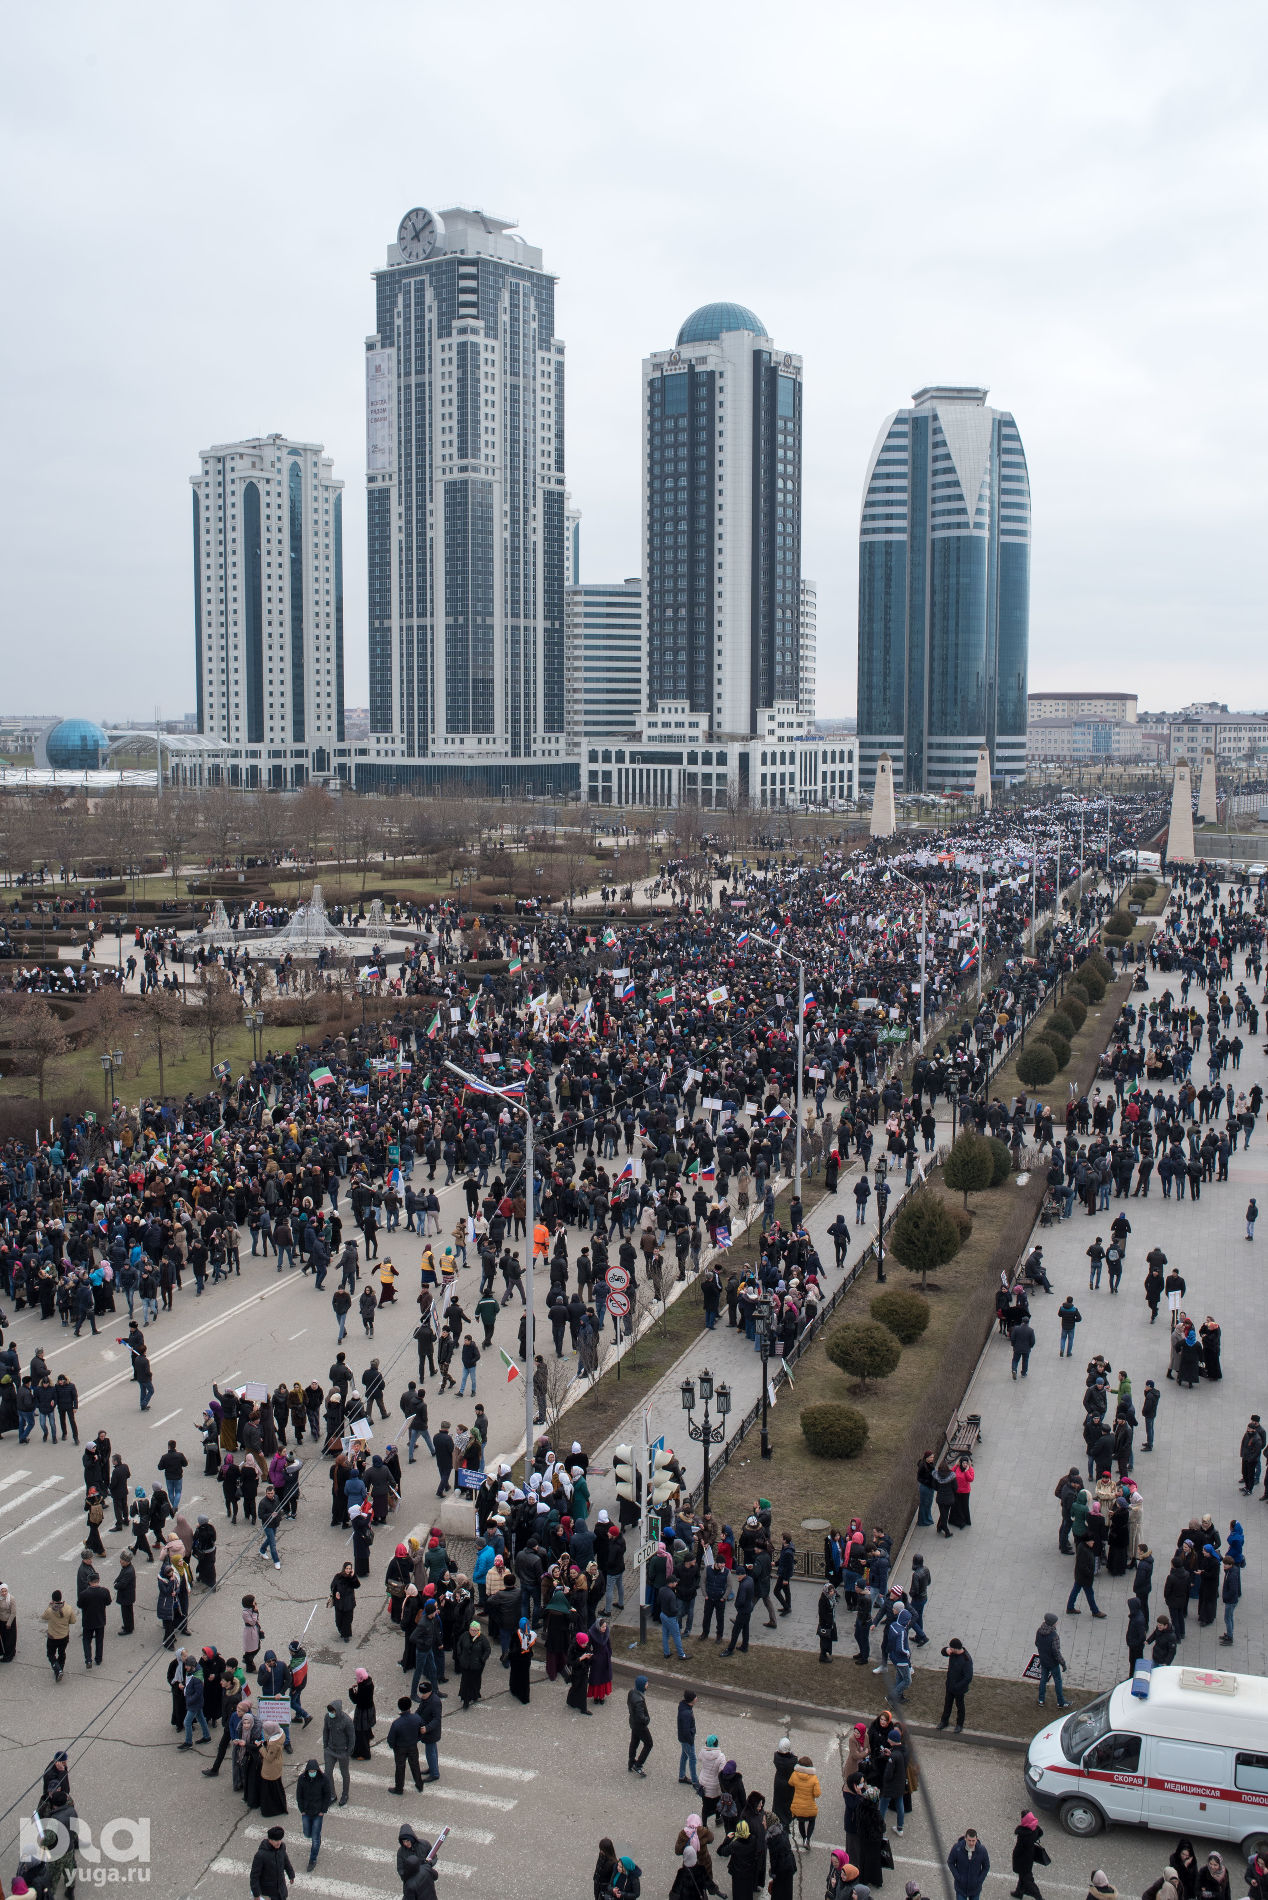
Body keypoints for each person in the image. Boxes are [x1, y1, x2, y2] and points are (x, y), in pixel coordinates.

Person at [296, 1760, 332, 1871]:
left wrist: (323, 1811)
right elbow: (299, 1795)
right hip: (306, 1811)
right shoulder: (302, 1779)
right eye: (310, 1771)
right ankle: (316, 1838)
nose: (312, 1772)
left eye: (314, 1771)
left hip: (318, 1812)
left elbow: (327, 1795)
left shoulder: (324, 1779)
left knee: (315, 1839)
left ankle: (312, 1859)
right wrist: (302, 1810)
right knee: (307, 1833)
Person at [387, 1694, 424, 1793]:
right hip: (412, 1746)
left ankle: (399, 1788)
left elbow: (391, 1739)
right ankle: (419, 1784)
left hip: (400, 1748)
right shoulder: (417, 1718)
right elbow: (421, 1731)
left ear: (400, 1707)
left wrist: (393, 1746)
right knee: (415, 1765)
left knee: (400, 1767)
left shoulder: (397, 1723)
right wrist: (416, 1739)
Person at [248, 1825, 295, 1899]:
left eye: (280, 1840)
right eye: (276, 1840)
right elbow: (254, 1876)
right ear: (269, 1840)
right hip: (268, 1893)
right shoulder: (260, 1855)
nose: (279, 1842)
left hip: (281, 1889)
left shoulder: (282, 1847)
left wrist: (291, 1874)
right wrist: (256, 1895)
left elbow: (286, 1861)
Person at [321, 1697, 353, 1806]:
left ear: (338, 1711)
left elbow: (352, 1738)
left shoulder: (347, 1721)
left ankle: (345, 1794)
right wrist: (325, 1745)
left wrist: (348, 1752)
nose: (331, 1713)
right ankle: (332, 1795)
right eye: (330, 1711)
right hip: (330, 1750)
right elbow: (325, 1731)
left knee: (344, 1774)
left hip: (342, 1751)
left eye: (333, 1711)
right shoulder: (327, 1717)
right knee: (327, 1772)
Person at [938, 1637, 973, 1731]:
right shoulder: (952, 1652)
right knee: (947, 1705)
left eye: (951, 1648)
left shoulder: (966, 1659)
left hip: (959, 1689)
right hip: (950, 1685)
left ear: (955, 1649)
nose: (950, 1649)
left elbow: (968, 1677)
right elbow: (943, 1652)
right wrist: (946, 1650)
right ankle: (944, 1721)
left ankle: (959, 1724)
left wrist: (957, 1687)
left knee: (960, 1706)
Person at [1035, 1613, 1068, 1709]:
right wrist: (1063, 1664)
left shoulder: (1039, 1631)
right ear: (1052, 1623)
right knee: (1058, 1681)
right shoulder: (1054, 1636)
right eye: (1056, 1622)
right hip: (1053, 1663)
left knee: (1043, 1680)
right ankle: (1061, 1702)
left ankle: (1041, 1700)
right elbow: (1056, 1652)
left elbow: (1037, 1643)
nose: (1057, 1623)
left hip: (1043, 1661)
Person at [1011, 1813, 1046, 1900]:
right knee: (1023, 1876)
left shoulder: (1023, 1833)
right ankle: (1019, 1892)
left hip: (1022, 1859)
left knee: (1027, 1879)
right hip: (1029, 1856)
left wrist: (1015, 1856)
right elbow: (1040, 1832)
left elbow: (1019, 1848)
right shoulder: (1034, 1828)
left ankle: (1038, 1897)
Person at [948, 1829, 990, 1900]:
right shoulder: (957, 1848)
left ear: (976, 1839)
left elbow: (986, 1866)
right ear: (965, 1838)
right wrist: (958, 1877)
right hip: (961, 1888)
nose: (971, 1843)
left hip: (975, 1889)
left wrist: (979, 1880)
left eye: (973, 1840)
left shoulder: (982, 1851)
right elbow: (950, 1862)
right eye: (969, 1840)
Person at [790, 1755, 821, 1846]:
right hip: (810, 1807)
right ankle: (808, 1839)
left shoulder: (794, 1774)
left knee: (801, 1822)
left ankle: (803, 1837)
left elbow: (790, 1783)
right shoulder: (814, 1778)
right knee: (812, 1821)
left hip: (798, 1807)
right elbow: (817, 1794)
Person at [627, 1672, 653, 1776]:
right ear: (642, 1686)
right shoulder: (639, 1700)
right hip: (640, 1726)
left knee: (634, 1742)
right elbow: (641, 1717)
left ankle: (631, 1762)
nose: (647, 1685)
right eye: (646, 1683)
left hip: (633, 1723)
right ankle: (638, 1765)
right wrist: (647, 1719)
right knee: (649, 1744)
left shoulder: (632, 1692)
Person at [678, 1690, 700, 1785]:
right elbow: (686, 1730)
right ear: (691, 1700)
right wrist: (691, 1740)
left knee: (684, 1755)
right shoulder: (686, 1713)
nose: (697, 1698)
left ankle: (681, 1776)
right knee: (692, 1758)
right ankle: (695, 1781)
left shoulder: (684, 1707)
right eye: (695, 1697)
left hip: (683, 1739)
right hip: (687, 1740)